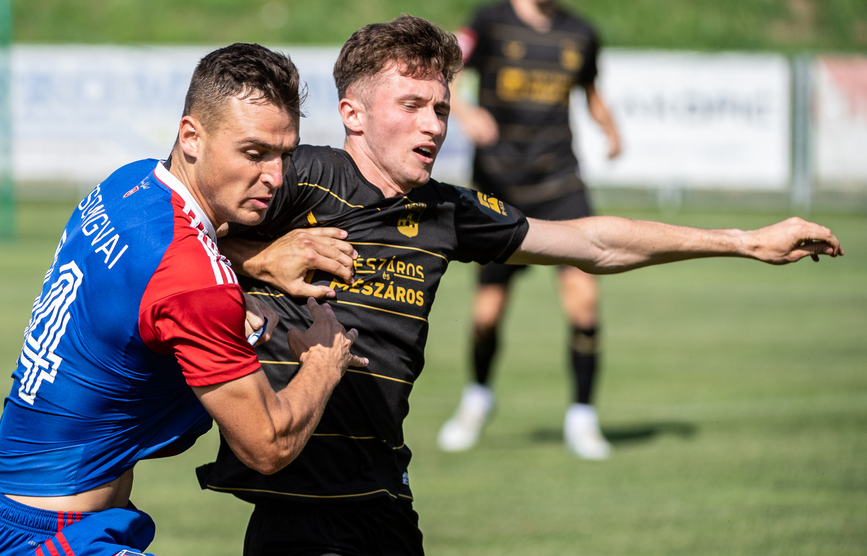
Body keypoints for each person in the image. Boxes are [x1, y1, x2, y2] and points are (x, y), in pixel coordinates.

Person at [197, 16, 843, 556]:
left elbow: (595, 243)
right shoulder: (300, 176)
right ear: (353, 114)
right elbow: (173, 221)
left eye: (441, 108)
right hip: (303, 504)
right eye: (412, 106)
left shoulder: (446, 209)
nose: (433, 125)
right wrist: (261, 258)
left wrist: (742, 241)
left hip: (383, 494)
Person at [0, 43, 367, 556]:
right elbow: (268, 444)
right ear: (191, 136)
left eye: (284, 154)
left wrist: (254, 263)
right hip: (45, 535)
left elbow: (162, 265)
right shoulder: (193, 282)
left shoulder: (127, 184)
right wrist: (325, 362)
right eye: (254, 153)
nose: (276, 176)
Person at [437, 0, 623, 459]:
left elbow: (590, 92)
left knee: (584, 304)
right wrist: (465, 112)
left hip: (561, 183)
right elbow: (448, 73)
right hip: (499, 188)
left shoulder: (580, 31)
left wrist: (611, 129)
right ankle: (478, 396)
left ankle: (583, 417)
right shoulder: (489, 20)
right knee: (487, 316)